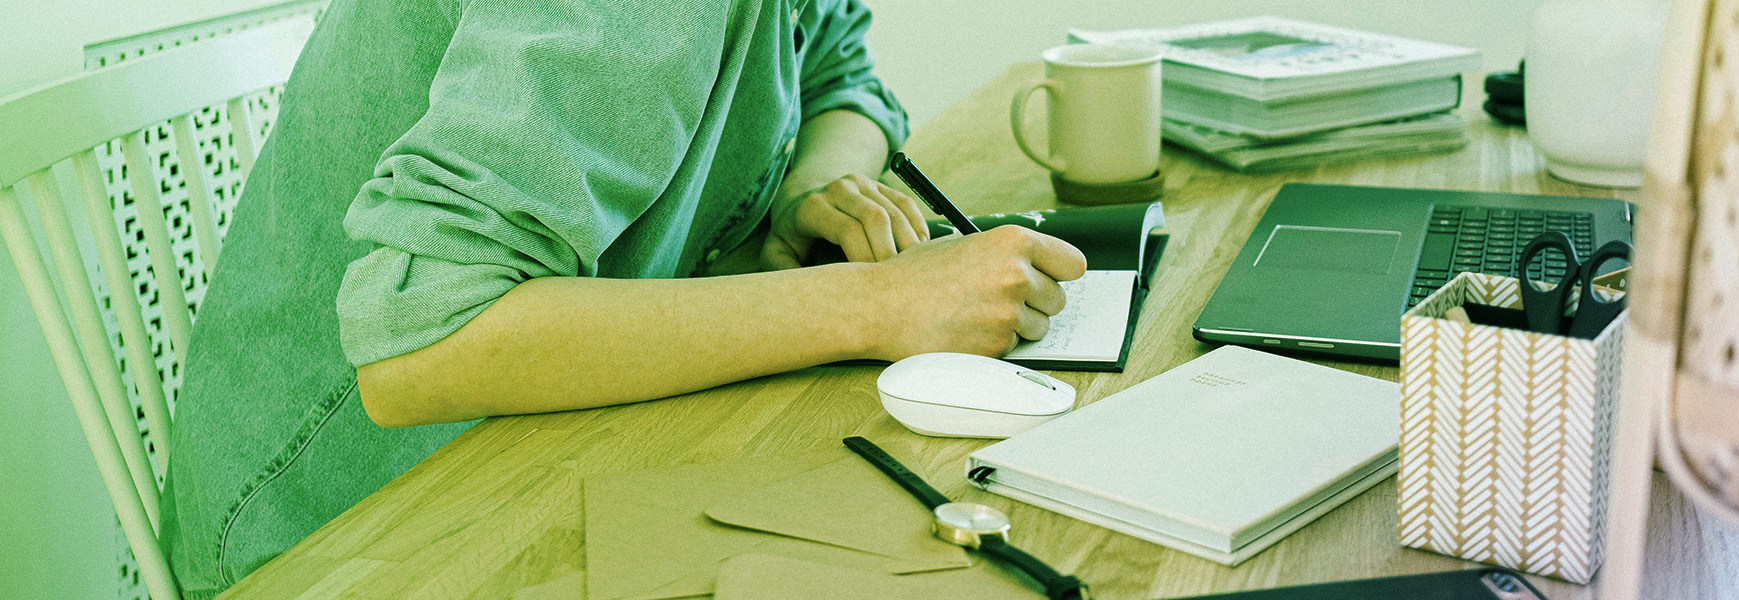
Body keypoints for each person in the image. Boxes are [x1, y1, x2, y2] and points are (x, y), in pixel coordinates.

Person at [157, 0, 1085, 596]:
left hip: (563, 438)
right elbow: (424, 344)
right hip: (348, 528)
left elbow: (840, 69)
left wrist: (817, 190)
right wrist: (873, 303)